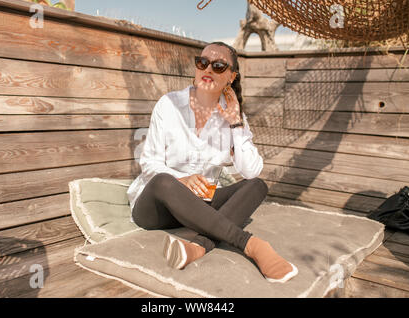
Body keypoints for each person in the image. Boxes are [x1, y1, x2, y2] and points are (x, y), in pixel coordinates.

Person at [127, 42, 298, 283]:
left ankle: (197, 247)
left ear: (231, 76)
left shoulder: (232, 117)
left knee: (257, 185)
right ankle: (249, 243)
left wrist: (236, 123)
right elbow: (150, 162)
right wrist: (182, 180)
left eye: (218, 66)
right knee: (164, 181)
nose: (208, 69)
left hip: (201, 205)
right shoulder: (169, 105)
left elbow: (251, 170)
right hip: (157, 208)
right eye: (202, 63)